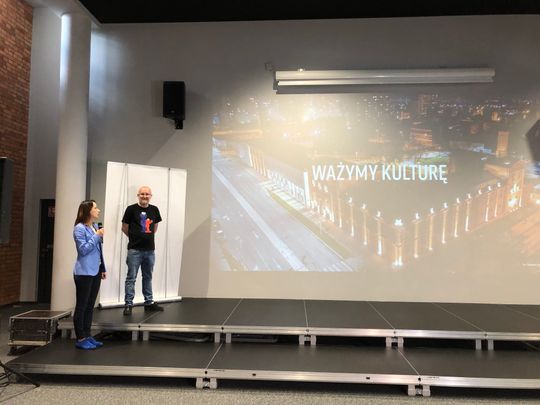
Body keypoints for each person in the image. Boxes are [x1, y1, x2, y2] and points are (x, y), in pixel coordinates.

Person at [122, 186, 164, 315]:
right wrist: (134, 237)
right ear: (138, 195)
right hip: (134, 250)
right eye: (142, 194)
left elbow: (154, 227)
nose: (144, 196)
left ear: (151, 196)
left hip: (150, 250)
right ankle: (128, 304)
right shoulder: (131, 209)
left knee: (148, 277)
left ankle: (149, 302)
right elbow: (124, 227)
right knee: (131, 278)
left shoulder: (154, 209)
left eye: (147, 194)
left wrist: (145, 236)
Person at [73, 200, 107, 350]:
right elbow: (83, 250)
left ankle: (87, 335)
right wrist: (97, 235)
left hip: (96, 270)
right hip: (84, 272)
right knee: (82, 306)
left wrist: (103, 267)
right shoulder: (79, 228)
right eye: (95, 208)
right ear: (88, 211)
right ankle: (80, 338)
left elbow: (99, 250)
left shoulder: (93, 227)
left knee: (90, 306)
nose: (98, 210)